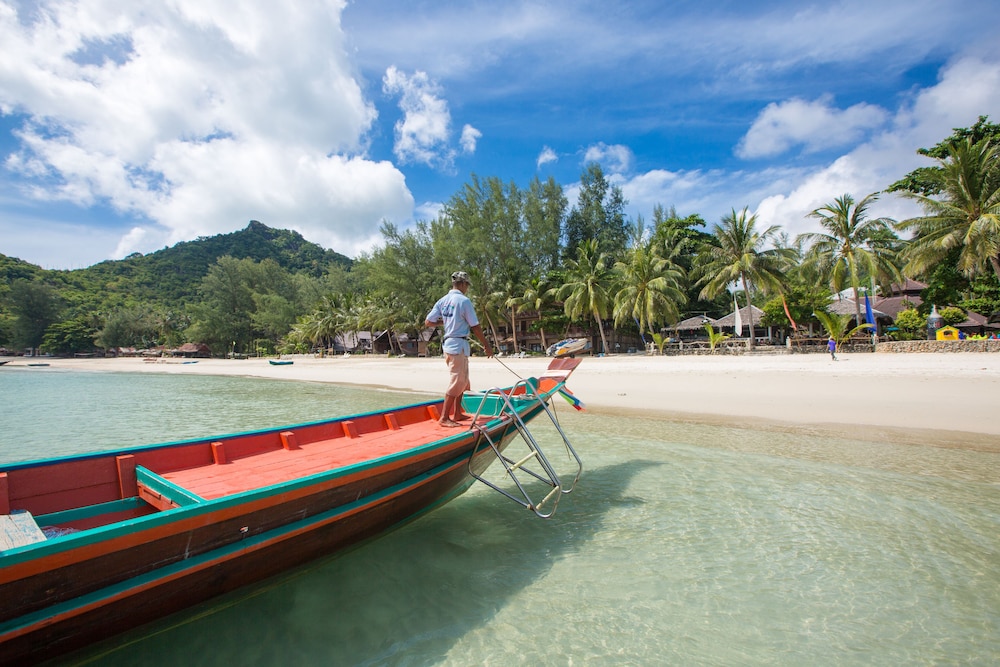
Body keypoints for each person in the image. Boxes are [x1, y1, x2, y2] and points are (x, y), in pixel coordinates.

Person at [425, 271, 494, 427]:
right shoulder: (464, 301)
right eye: (467, 285)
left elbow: (428, 322)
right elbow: (475, 326)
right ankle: (444, 418)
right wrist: (486, 345)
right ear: (462, 284)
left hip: (450, 344)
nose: (467, 288)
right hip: (458, 345)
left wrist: (445, 322)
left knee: (463, 381)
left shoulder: (442, 301)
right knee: (458, 381)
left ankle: (457, 413)